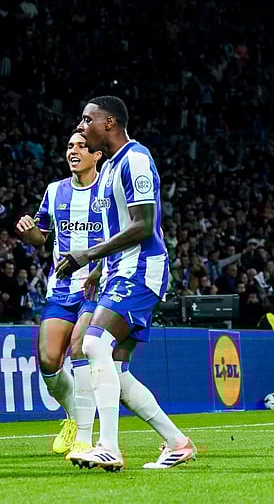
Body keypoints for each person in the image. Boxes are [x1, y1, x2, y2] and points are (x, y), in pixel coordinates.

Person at [56, 96, 195, 471]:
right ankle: (177, 443)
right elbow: (117, 227)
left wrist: (88, 255)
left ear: (109, 123)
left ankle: (108, 446)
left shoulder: (135, 159)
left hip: (140, 269)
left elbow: (143, 225)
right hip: (119, 270)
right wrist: (100, 268)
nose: (82, 126)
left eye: (88, 119)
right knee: (117, 371)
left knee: (93, 343)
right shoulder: (110, 168)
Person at [15, 132, 105, 457]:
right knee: (48, 360)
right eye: (69, 146)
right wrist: (29, 233)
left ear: (97, 155)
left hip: (97, 287)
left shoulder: (108, 190)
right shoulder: (55, 191)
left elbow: (124, 235)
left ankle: (85, 436)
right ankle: (74, 416)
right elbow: (42, 237)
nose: (73, 151)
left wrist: (100, 268)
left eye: (81, 146)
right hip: (61, 288)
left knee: (80, 347)